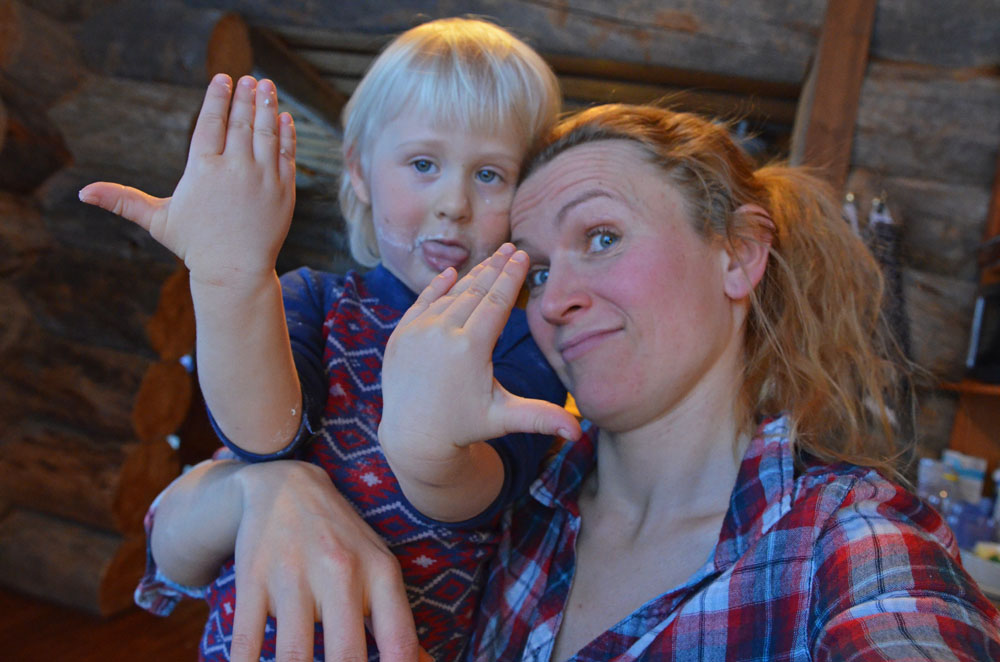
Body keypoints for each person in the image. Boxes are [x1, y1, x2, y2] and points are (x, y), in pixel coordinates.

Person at [169, 102, 1000, 661]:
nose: (555, 299)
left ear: (739, 255)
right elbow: (170, 552)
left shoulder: (849, 543)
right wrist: (269, 489)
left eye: (600, 237)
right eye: (531, 272)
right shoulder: (523, 494)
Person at [79, 17, 571, 662]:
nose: (453, 202)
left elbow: (476, 497)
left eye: (490, 175)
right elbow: (263, 436)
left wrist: (433, 450)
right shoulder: (316, 299)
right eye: (424, 163)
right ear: (360, 171)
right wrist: (232, 275)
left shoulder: (523, 339)